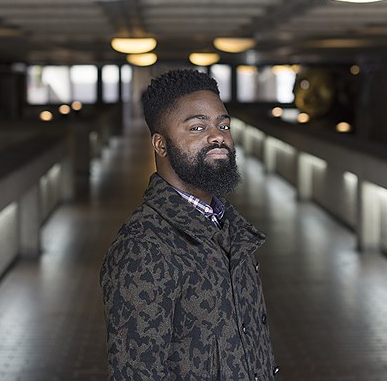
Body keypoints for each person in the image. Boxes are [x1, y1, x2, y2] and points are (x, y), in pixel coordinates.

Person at [100, 68, 279, 380]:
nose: (218, 136)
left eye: (224, 125)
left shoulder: (230, 229)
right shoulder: (143, 249)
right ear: (160, 145)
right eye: (197, 127)